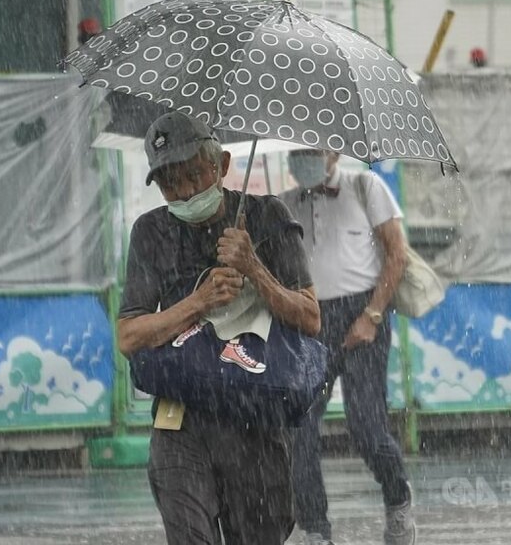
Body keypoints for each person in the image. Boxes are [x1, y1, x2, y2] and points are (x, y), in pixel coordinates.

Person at [117, 111, 320, 545]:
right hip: (181, 418)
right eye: (170, 183)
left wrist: (255, 269)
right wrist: (198, 302)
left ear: (223, 165)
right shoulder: (150, 232)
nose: (185, 191)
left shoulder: (268, 217)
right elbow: (129, 335)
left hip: (256, 416)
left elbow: (310, 316)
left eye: (194, 174)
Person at [279, 150, 415, 545]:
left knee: (367, 427)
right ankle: (316, 530)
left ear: (333, 151)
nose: (301, 159)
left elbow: (397, 254)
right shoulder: (285, 204)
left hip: (362, 314)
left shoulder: (364, 185)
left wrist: (372, 316)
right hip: (309, 321)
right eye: (296, 152)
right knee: (299, 430)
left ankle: (398, 499)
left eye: (311, 151)